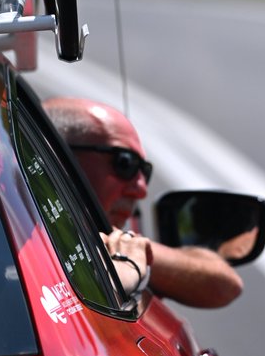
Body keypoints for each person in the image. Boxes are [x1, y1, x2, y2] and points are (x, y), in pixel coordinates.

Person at [43, 96, 244, 309]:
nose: (141, 190)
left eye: (144, 172)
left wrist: (136, 253)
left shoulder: (114, 246)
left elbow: (225, 285)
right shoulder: (23, 234)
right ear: (58, 154)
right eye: (124, 163)